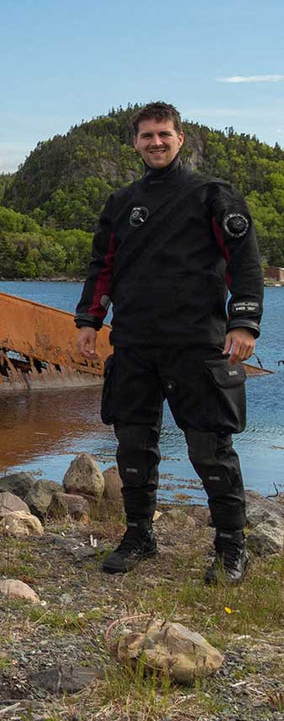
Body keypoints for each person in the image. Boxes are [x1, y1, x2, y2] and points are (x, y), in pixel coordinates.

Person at [75, 101, 262, 583]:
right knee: (133, 443)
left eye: (164, 134)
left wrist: (243, 322)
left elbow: (245, 261)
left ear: (180, 139)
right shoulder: (121, 203)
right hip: (135, 341)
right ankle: (139, 535)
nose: (155, 143)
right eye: (146, 136)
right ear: (135, 143)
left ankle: (230, 547)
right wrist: (89, 320)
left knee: (209, 447)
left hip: (197, 342)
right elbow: (102, 268)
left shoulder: (212, 195)